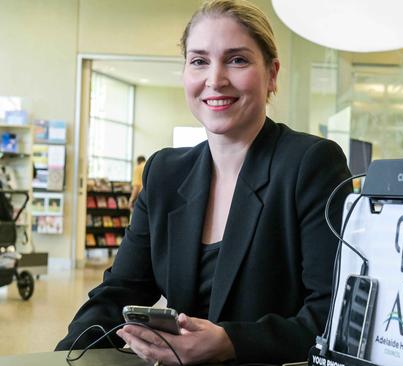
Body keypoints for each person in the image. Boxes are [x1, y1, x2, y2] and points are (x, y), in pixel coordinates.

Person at [55, 1, 352, 365]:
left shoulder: (310, 164)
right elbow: (120, 290)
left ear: (272, 74)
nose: (215, 79)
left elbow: (333, 314)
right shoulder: (164, 171)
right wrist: (60, 356)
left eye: (237, 59)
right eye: (199, 61)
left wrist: (232, 342)